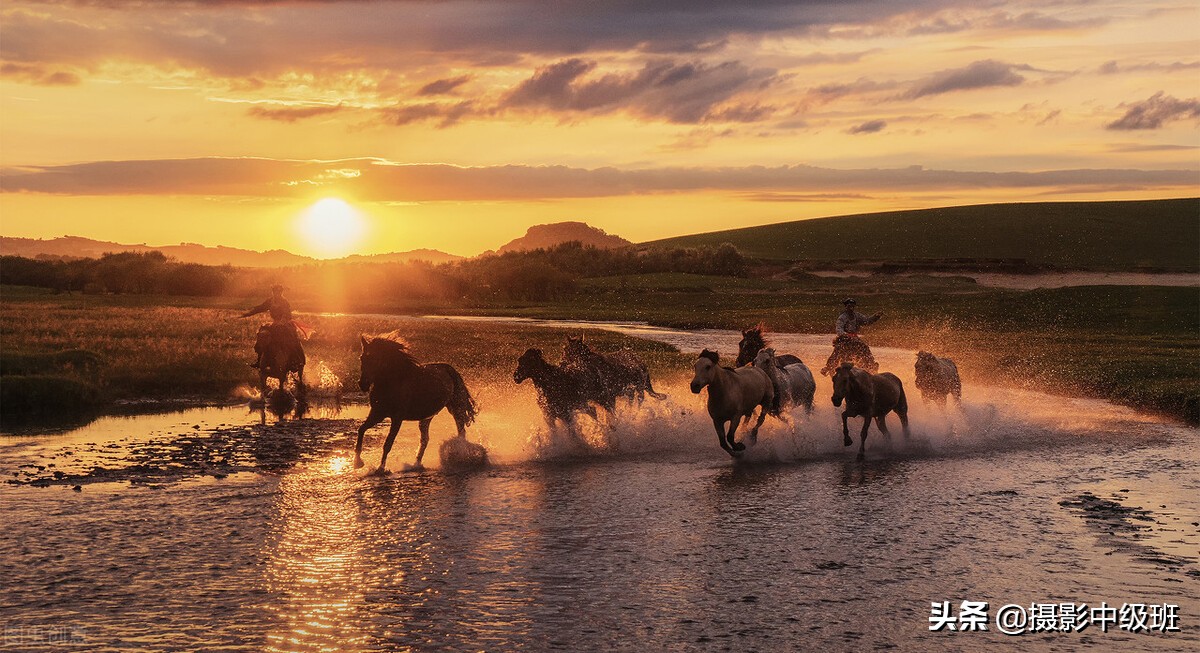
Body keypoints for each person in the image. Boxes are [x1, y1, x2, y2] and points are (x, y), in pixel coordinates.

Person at [241, 284, 303, 368]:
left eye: (278, 292)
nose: (277, 294)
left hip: (285, 324)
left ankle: (296, 359)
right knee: (262, 334)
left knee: (290, 339)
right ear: (273, 292)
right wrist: (249, 313)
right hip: (275, 323)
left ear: (281, 292)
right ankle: (259, 359)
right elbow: (261, 308)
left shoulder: (284, 302)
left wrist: (282, 322)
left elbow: (287, 314)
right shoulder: (270, 301)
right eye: (275, 292)